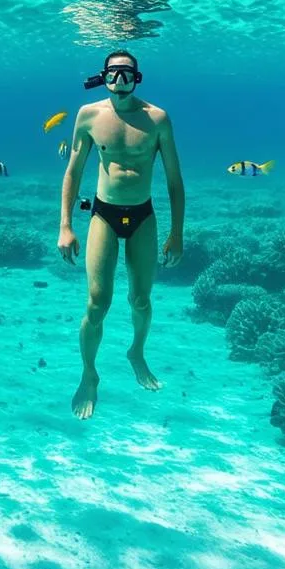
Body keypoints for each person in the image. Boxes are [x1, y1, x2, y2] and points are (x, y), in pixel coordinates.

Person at [58, 50, 185, 420]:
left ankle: (137, 352)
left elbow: (175, 181)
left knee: (141, 300)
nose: (120, 81)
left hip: (143, 216)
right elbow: (73, 173)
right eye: (114, 74)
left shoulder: (157, 119)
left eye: (127, 74)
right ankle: (89, 374)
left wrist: (177, 233)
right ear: (104, 77)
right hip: (104, 214)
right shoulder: (89, 116)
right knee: (97, 303)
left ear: (137, 78)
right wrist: (65, 226)